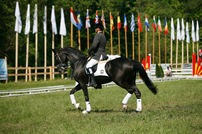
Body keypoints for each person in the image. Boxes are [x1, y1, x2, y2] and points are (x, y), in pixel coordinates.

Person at [86, 23, 107, 87]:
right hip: (103, 54)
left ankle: (93, 81)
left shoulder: (97, 36)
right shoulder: (103, 36)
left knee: (88, 66)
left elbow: (94, 46)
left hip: (98, 55)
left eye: (95, 28)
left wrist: (89, 51)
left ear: (98, 29)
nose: (95, 30)